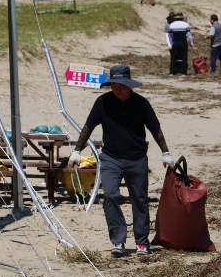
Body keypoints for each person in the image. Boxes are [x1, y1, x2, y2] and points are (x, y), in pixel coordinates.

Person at [69, 65, 174, 257]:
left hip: (137, 158)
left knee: (140, 200)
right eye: (114, 84)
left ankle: (142, 242)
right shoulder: (102, 102)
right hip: (110, 158)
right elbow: (88, 127)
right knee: (110, 195)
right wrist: (77, 150)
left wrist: (165, 153)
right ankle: (118, 240)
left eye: (122, 84)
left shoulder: (142, 103)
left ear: (129, 85)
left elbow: (155, 129)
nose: (118, 88)